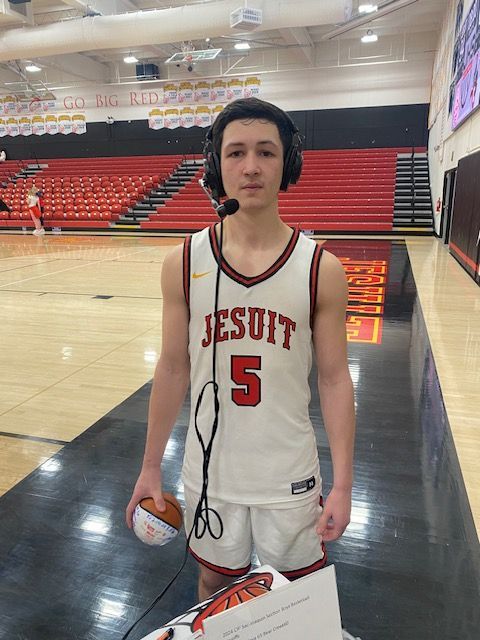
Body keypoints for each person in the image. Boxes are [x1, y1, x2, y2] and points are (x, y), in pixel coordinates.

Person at [126, 97, 355, 601]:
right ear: (216, 165)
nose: (251, 167)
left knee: (298, 595)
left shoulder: (321, 268)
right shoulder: (183, 262)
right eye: (236, 153)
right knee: (213, 584)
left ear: (287, 164)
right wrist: (150, 465)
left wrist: (343, 484)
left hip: (289, 474)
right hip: (211, 472)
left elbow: (335, 379)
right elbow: (172, 368)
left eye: (266, 152)